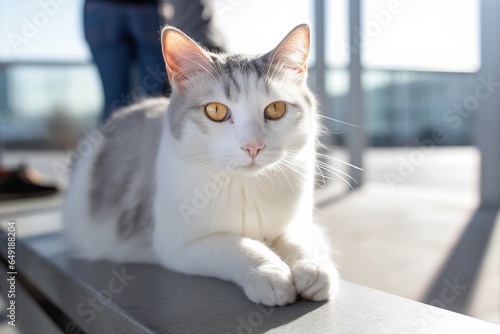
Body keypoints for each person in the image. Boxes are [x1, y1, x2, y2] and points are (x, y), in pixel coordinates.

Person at [84, 0, 224, 121]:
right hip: (144, 9)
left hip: (100, 10)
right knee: (152, 102)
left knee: (113, 104)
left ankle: (111, 150)